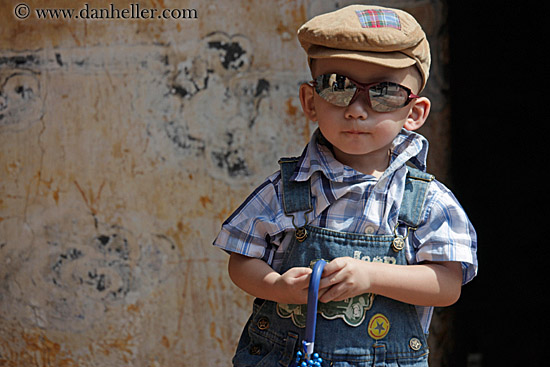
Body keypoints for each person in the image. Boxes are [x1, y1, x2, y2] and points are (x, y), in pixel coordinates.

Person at [213, 4, 477, 366]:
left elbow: (447, 286)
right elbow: (241, 259)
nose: (357, 109)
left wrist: (371, 275)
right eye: (338, 86)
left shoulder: (427, 201)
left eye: (384, 92)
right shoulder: (287, 190)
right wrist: (277, 287)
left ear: (414, 113)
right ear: (309, 100)